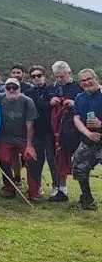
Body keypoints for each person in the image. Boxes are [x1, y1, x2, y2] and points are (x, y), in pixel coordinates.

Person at [47, 60, 83, 202]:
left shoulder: (78, 87)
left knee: (80, 161)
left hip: (76, 130)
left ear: (69, 73)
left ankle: (83, 192)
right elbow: (43, 105)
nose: (60, 79)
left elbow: (85, 104)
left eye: (62, 76)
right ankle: (62, 191)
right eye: (57, 77)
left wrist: (75, 103)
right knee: (60, 158)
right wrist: (50, 101)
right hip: (58, 130)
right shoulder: (51, 88)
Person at [71, 68, 102, 210]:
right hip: (89, 140)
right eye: (83, 80)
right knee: (79, 168)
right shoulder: (79, 97)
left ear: (96, 78)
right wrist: (88, 133)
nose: (87, 82)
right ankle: (87, 201)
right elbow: (76, 118)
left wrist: (100, 124)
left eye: (89, 78)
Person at [25, 65, 57, 197]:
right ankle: (36, 187)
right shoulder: (28, 92)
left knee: (52, 159)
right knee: (36, 161)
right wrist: (47, 104)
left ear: (44, 76)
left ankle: (57, 187)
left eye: (39, 75)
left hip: (50, 131)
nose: (36, 78)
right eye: (33, 76)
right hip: (35, 131)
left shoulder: (52, 90)